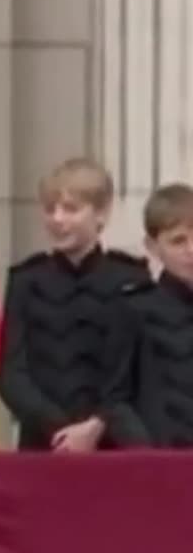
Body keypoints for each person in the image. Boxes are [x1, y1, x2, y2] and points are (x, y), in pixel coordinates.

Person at [0, 158, 150, 452]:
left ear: (101, 214)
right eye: (50, 209)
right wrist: (59, 428)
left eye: (71, 209)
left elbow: (136, 370)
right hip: (44, 441)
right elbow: (12, 375)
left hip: (112, 441)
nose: (57, 219)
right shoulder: (27, 280)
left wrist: (97, 424)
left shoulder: (131, 279)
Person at [106, 183, 193, 448]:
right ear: (153, 246)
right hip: (160, 462)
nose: (191, 250)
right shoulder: (135, 308)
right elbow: (114, 398)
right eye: (178, 241)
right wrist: (148, 453)